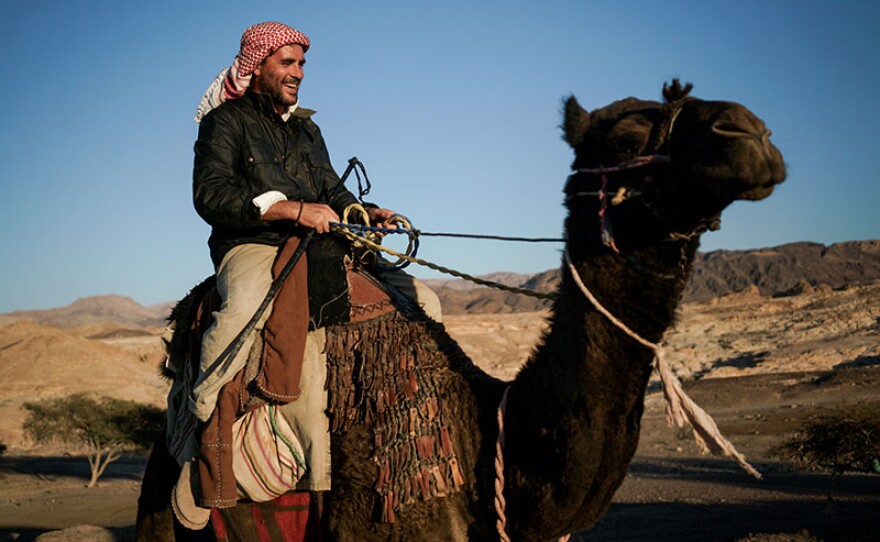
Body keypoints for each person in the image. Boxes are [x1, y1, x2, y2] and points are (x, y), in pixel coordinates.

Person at [182, 21, 441, 497]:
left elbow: (331, 188)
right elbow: (210, 195)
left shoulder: (308, 129)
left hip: (320, 243)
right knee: (243, 307)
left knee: (421, 297)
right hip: (253, 243)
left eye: (301, 63)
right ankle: (203, 411)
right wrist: (287, 209)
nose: (297, 71)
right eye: (287, 62)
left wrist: (369, 212)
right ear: (256, 66)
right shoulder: (226, 123)